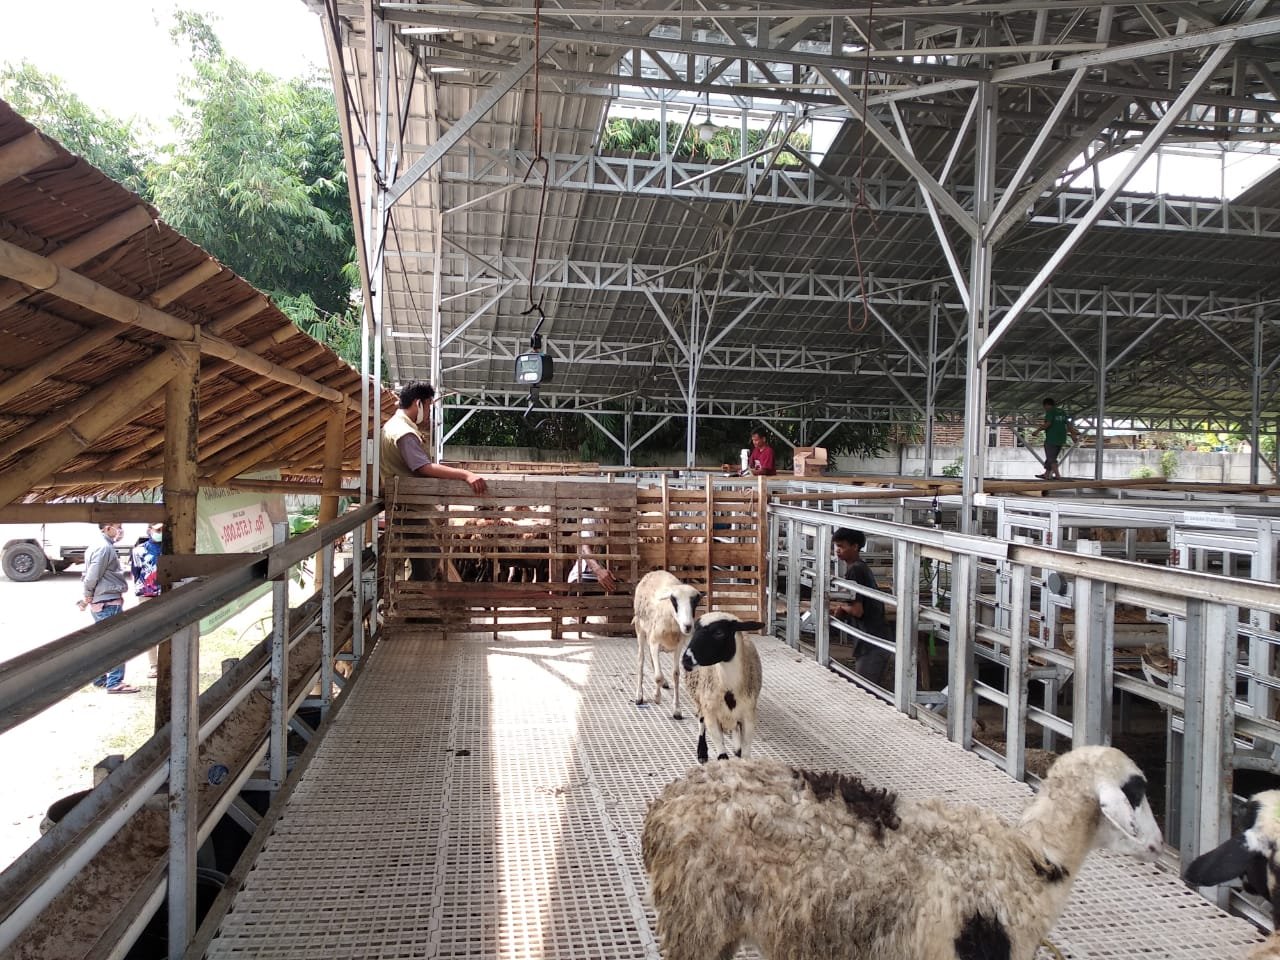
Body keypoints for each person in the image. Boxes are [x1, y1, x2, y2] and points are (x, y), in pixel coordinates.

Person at [381, 381, 488, 579]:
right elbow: (424, 467)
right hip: (409, 508)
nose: (429, 412)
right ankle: (413, 597)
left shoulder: (397, 426)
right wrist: (466, 475)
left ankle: (413, 594)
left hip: (410, 505)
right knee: (423, 565)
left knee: (431, 556)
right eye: (429, 406)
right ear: (418, 404)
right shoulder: (403, 432)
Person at [829, 528, 892, 687]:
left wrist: (842, 608)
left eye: (841, 546)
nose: (837, 550)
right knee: (869, 688)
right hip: (875, 639)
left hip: (871, 642)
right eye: (836, 546)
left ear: (855, 546)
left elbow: (857, 610)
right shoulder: (860, 567)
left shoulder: (855, 570)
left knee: (865, 690)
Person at [80, 522, 138, 694]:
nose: (120, 530)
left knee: (103, 642)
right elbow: (92, 575)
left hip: (102, 600)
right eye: (118, 526)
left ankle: (100, 678)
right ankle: (114, 682)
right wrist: (87, 593)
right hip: (107, 601)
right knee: (116, 643)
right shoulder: (104, 548)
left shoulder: (97, 545)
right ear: (107, 528)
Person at [131, 522, 163, 678]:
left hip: (167, 593)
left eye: (163, 529)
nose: (160, 532)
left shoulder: (169, 549)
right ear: (149, 530)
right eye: (158, 530)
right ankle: (154, 665)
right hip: (147, 594)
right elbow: (136, 573)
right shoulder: (139, 550)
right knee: (149, 630)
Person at [1034, 397, 1081, 480]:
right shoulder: (1062, 412)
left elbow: (1048, 424)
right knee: (1051, 457)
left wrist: (1037, 431)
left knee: (1051, 458)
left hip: (1052, 438)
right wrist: (1073, 434)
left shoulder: (1050, 412)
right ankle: (1046, 474)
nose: (1045, 409)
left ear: (1046, 405)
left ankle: (1057, 475)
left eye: (1044, 407)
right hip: (1061, 438)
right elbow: (1069, 425)